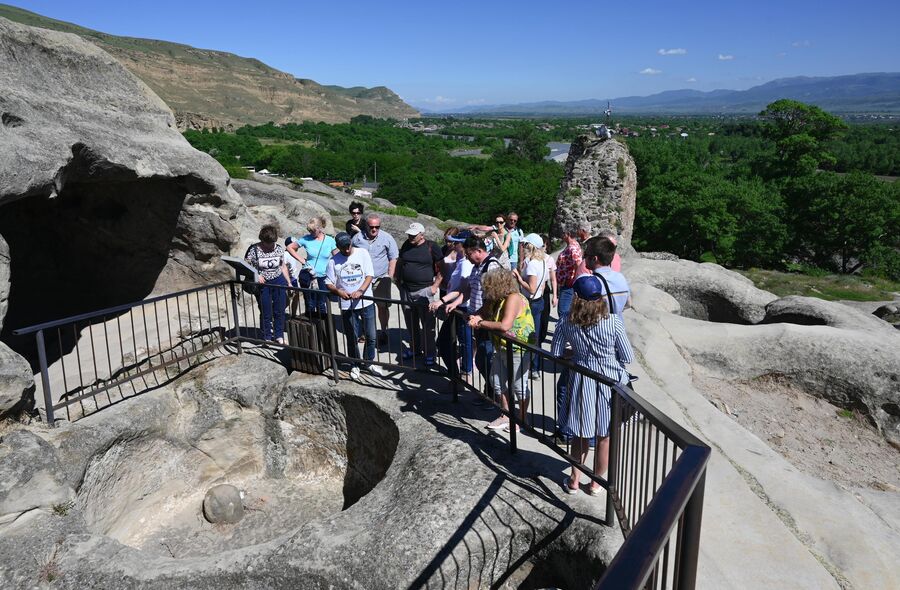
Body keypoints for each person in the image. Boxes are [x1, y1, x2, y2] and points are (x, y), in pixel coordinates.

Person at [551, 274, 634, 495]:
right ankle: (596, 483)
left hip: (581, 381)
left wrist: (576, 354)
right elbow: (627, 356)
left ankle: (574, 481)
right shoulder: (613, 321)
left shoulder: (566, 321)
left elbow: (556, 353)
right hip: (609, 383)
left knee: (580, 434)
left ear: (576, 297)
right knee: (604, 435)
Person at [468, 269, 535, 433]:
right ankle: (506, 415)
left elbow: (505, 325)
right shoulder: (497, 299)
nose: (485, 289)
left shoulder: (513, 298)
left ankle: (521, 419)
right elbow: (482, 311)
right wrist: (473, 316)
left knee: (518, 386)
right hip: (502, 346)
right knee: (496, 381)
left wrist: (480, 323)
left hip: (518, 348)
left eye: (488, 286)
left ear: (497, 285)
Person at [325, 232, 383, 380]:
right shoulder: (333, 261)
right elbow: (328, 282)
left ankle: (368, 362)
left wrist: (361, 290)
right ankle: (354, 364)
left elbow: (369, 275)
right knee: (352, 336)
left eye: (348, 245)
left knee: (371, 335)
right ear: (337, 247)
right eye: (343, 247)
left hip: (366, 301)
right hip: (347, 304)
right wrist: (338, 291)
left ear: (351, 242)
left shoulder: (362, 253)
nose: (346, 249)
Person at [396, 222, 442, 365]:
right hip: (406, 289)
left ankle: (430, 353)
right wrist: (398, 280)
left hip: (425, 290)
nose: (410, 237)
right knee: (411, 322)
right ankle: (415, 349)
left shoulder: (432, 246)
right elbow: (400, 262)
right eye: (409, 234)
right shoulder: (406, 244)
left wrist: (435, 286)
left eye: (414, 235)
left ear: (422, 235)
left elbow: (442, 268)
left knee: (428, 325)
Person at [431, 230, 475, 379]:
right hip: (455, 305)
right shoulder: (461, 259)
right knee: (453, 341)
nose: (452, 244)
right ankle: (458, 374)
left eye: (456, 242)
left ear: (463, 245)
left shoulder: (466, 264)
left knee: (463, 341)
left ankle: (463, 372)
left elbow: (463, 289)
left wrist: (442, 301)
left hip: (461, 307)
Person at [462, 234, 505, 385]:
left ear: (478, 251)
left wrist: (480, 314)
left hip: (487, 321)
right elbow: (470, 289)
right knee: (482, 358)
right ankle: (492, 390)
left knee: (484, 358)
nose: (467, 258)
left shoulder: (491, 266)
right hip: (478, 319)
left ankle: (495, 392)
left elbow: (494, 296)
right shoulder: (477, 267)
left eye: (469, 254)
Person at [352, 212, 398, 345]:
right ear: (366, 225)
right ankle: (367, 333)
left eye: (377, 227)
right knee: (364, 307)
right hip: (362, 279)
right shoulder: (357, 238)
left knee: (382, 307)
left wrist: (390, 276)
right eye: (372, 226)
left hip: (380, 278)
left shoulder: (387, 238)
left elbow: (393, 258)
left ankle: (384, 331)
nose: (374, 229)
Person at [244, 224, 292, 343]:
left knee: (280, 309)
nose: (271, 246)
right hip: (263, 284)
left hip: (278, 281)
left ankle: (279, 335)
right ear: (262, 240)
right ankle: (266, 336)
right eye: (268, 243)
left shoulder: (279, 248)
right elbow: (246, 266)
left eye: (272, 243)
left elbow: (282, 266)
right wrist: (256, 275)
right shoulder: (253, 250)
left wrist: (289, 282)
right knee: (266, 310)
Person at [513, 233, 551, 377]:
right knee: (534, 335)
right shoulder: (542, 262)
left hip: (531, 302)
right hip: (539, 301)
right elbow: (542, 286)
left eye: (524, 245)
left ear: (530, 246)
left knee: (529, 336)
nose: (523, 247)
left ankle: (529, 367)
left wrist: (518, 278)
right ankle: (534, 367)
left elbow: (532, 288)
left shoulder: (532, 265)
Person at [297, 216, 337, 318]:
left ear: (320, 228)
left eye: (313, 230)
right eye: (309, 230)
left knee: (322, 304)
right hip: (309, 274)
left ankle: (323, 329)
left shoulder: (330, 240)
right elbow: (290, 247)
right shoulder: (306, 239)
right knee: (310, 303)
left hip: (323, 276)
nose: (311, 233)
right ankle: (310, 327)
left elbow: (337, 256)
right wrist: (302, 260)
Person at [583, 236, 631, 316]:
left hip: (596, 327)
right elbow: (628, 304)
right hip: (618, 325)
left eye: (585, 255)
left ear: (595, 259)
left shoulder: (588, 282)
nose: (583, 258)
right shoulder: (621, 278)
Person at [555, 224, 584, 320]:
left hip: (568, 285)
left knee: (563, 311)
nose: (562, 235)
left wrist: (573, 280)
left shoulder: (572, 248)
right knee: (565, 311)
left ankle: (563, 332)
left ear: (567, 234)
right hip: (566, 284)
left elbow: (578, 264)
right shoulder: (571, 246)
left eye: (563, 234)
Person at [284, 236, 305, 317]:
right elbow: (283, 267)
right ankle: (275, 314)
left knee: (296, 297)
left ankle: (293, 315)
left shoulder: (294, 254)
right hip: (288, 279)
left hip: (294, 279)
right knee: (286, 300)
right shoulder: (285, 254)